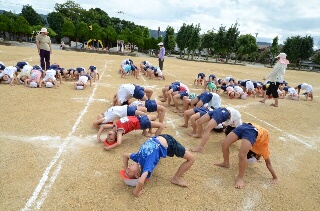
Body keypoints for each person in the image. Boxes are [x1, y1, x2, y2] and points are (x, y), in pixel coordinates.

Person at [122, 134, 195, 196]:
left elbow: (125, 155)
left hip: (158, 138)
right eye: (128, 171)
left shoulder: (137, 157)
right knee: (191, 159)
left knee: (156, 155)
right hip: (170, 144)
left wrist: (125, 169)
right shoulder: (147, 165)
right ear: (137, 175)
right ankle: (176, 178)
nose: (128, 168)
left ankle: (183, 150)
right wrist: (136, 192)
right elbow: (141, 181)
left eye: (127, 169)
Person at [214, 123, 278, 189]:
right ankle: (226, 163)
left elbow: (268, 164)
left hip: (250, 129)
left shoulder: (258, 148)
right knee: (224, 145)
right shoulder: (264, 148)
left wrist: (275, 178)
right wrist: (275, 177)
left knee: (241, 154)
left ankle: (240, 178)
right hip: (250, 127)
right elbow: (268, 164)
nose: (258, 158)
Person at [97, 115, 165, 150]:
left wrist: (98, 137)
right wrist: (110, 147)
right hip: (141, 122)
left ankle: (146, 131)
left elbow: (103, 126)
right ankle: (155, 141)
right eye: (111, 139)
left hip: (138, 118)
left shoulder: (113, 126)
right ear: (116, 137)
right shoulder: (119, 131)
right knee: (161, 126)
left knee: (154, 117)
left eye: (108, 138)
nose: (109, 137)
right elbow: (118, 143)